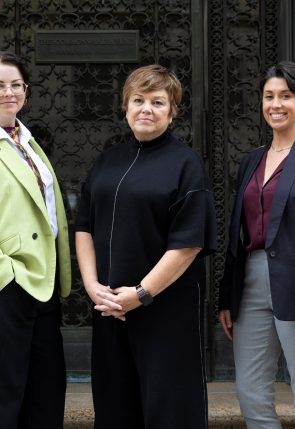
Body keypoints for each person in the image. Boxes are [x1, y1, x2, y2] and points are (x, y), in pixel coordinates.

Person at [75, 64, 217, 428]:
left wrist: (140, 294)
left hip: (165, 309)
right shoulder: (107, 160)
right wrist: (94, 288)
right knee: (115, 408)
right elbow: (84, 227)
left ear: (171, 111)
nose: (146, 109)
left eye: (158, 102)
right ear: (125, 107)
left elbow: (187, 244)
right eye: (138, 100)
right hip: (110, 308)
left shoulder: (187, 163)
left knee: (170, 410)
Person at [218, 61, 295, 428]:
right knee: (251, 393)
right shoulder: (251, 161)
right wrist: (228, 296)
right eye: (269, 96)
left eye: (286, 96)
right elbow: (236, 232)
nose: (275, 104)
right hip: (251, 285)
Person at [0, 50, 72, 429]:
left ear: (26, 91)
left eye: (16, 85)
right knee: (0, 396)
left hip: (43, 283)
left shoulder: (30, 144)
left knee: (47, 392)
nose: (9, 92)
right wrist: (6, 276)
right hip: (1, 285)